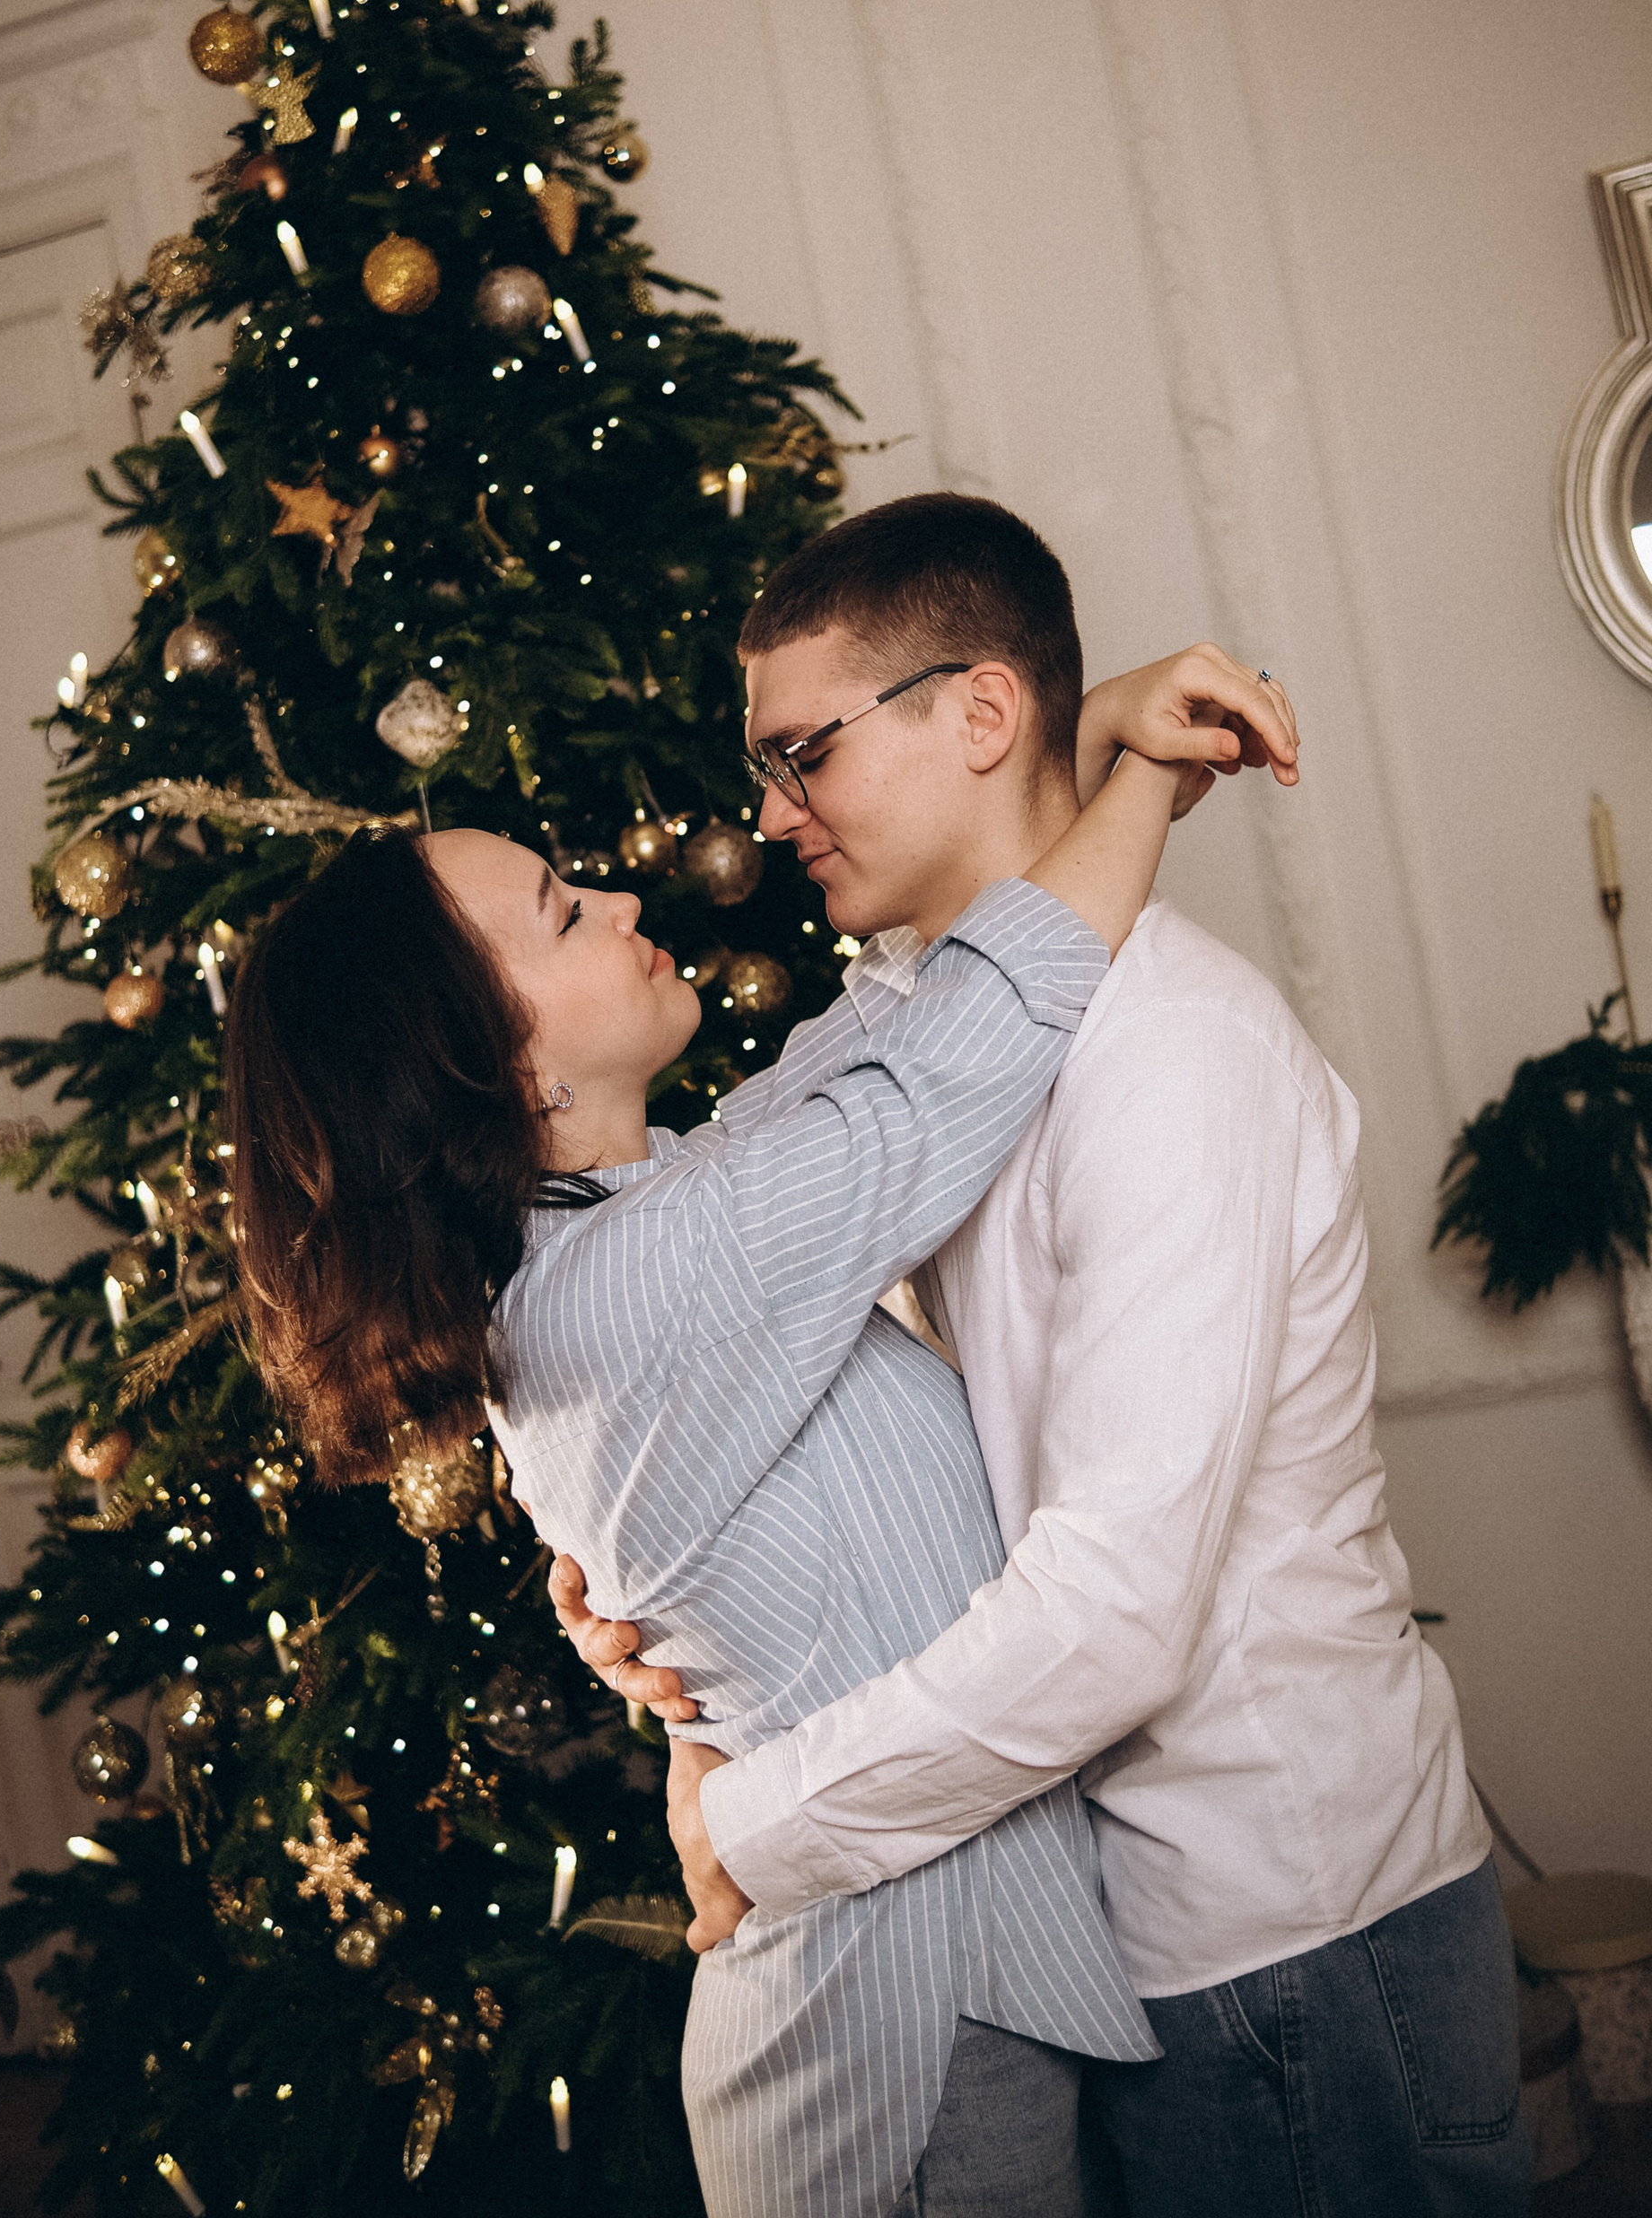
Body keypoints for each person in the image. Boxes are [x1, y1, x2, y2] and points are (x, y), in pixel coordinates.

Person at [223, 634, 1292, 2218]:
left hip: (935, 1998)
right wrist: (1142, 772)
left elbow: (884, 1026)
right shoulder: (643, 1278)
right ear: (497, 1063)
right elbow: (962, 1043)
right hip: (889, 2042)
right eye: (564, 914)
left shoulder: (645, 1212)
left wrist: (1069, 745)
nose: (622, 902)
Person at [553, 493, 1529, 2218]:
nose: (768, 816)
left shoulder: (1174, 1057)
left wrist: (751, 1826)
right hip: (1113, 1931)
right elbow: (769, 1339)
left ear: (982, 713)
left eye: (803, 756)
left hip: (1288, 1934)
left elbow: (1114, 1611)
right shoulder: (922, 1021)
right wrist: (657, 1579)